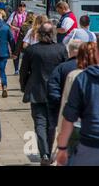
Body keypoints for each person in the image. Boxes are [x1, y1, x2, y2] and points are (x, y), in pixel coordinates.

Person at [19, 22, 68, 165]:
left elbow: (23, 71)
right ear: (53, 34)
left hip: (36, 90)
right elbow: (65, 70)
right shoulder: (60, 49)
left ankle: (44, 154)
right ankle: (47, 152)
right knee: (51, 124)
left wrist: (24, 86)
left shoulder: (32, 50)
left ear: (39, 34)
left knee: (39, 123)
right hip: (55, 92)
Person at [56, 35, 99, 166]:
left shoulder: (83, 78)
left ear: (98, 52)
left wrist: (62, 146)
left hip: (91, 143)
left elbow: (69, 116)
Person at [47, 39, 82, 140]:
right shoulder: (90, 67)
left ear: (69, 51)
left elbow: (53, 88)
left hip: (67, 114)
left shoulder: (61, 67)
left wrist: (58, 103)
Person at [0, 10, 15, 98]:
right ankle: (4, 86)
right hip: (3, 52)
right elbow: (11, 40)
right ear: (1, 18)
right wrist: (13, 51)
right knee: (2, 71)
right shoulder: (6, 27)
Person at [6, 3, 27, 74]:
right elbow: (8, 23)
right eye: (20, 6)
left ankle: (24, 69)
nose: (21, 8)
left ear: (25, 8)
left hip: (24, 38)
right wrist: (15, 28)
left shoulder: (26, 15)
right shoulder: (14, 14)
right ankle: (16, 69)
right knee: (16, 53)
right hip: (15, 37)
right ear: (18, 7)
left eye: (23, 7)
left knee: (25, 54)